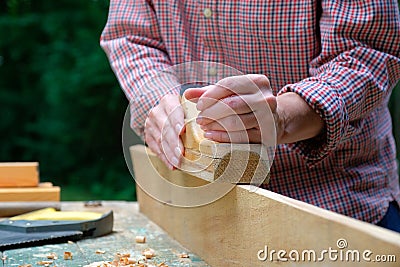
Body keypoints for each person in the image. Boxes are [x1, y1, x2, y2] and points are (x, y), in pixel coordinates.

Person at [100, 1, 400, 232]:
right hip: (195, 209)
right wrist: (162, 100)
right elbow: (132, 36)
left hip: (333, 208)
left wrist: (282, 118)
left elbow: (366, 53)